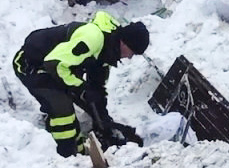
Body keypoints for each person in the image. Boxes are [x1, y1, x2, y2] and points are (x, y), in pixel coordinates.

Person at [11, 11, 149, 157]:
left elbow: (96, 90)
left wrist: (105, 124)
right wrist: (81, 88)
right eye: (132, 52)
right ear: (124, 42)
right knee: (62, 107)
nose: (130, 57)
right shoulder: (93, 39)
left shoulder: (107, 50)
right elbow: (54, 64)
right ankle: (68, 153)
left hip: (61, 66)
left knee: (87, 98)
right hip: (31, 64)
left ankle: (83, 143)